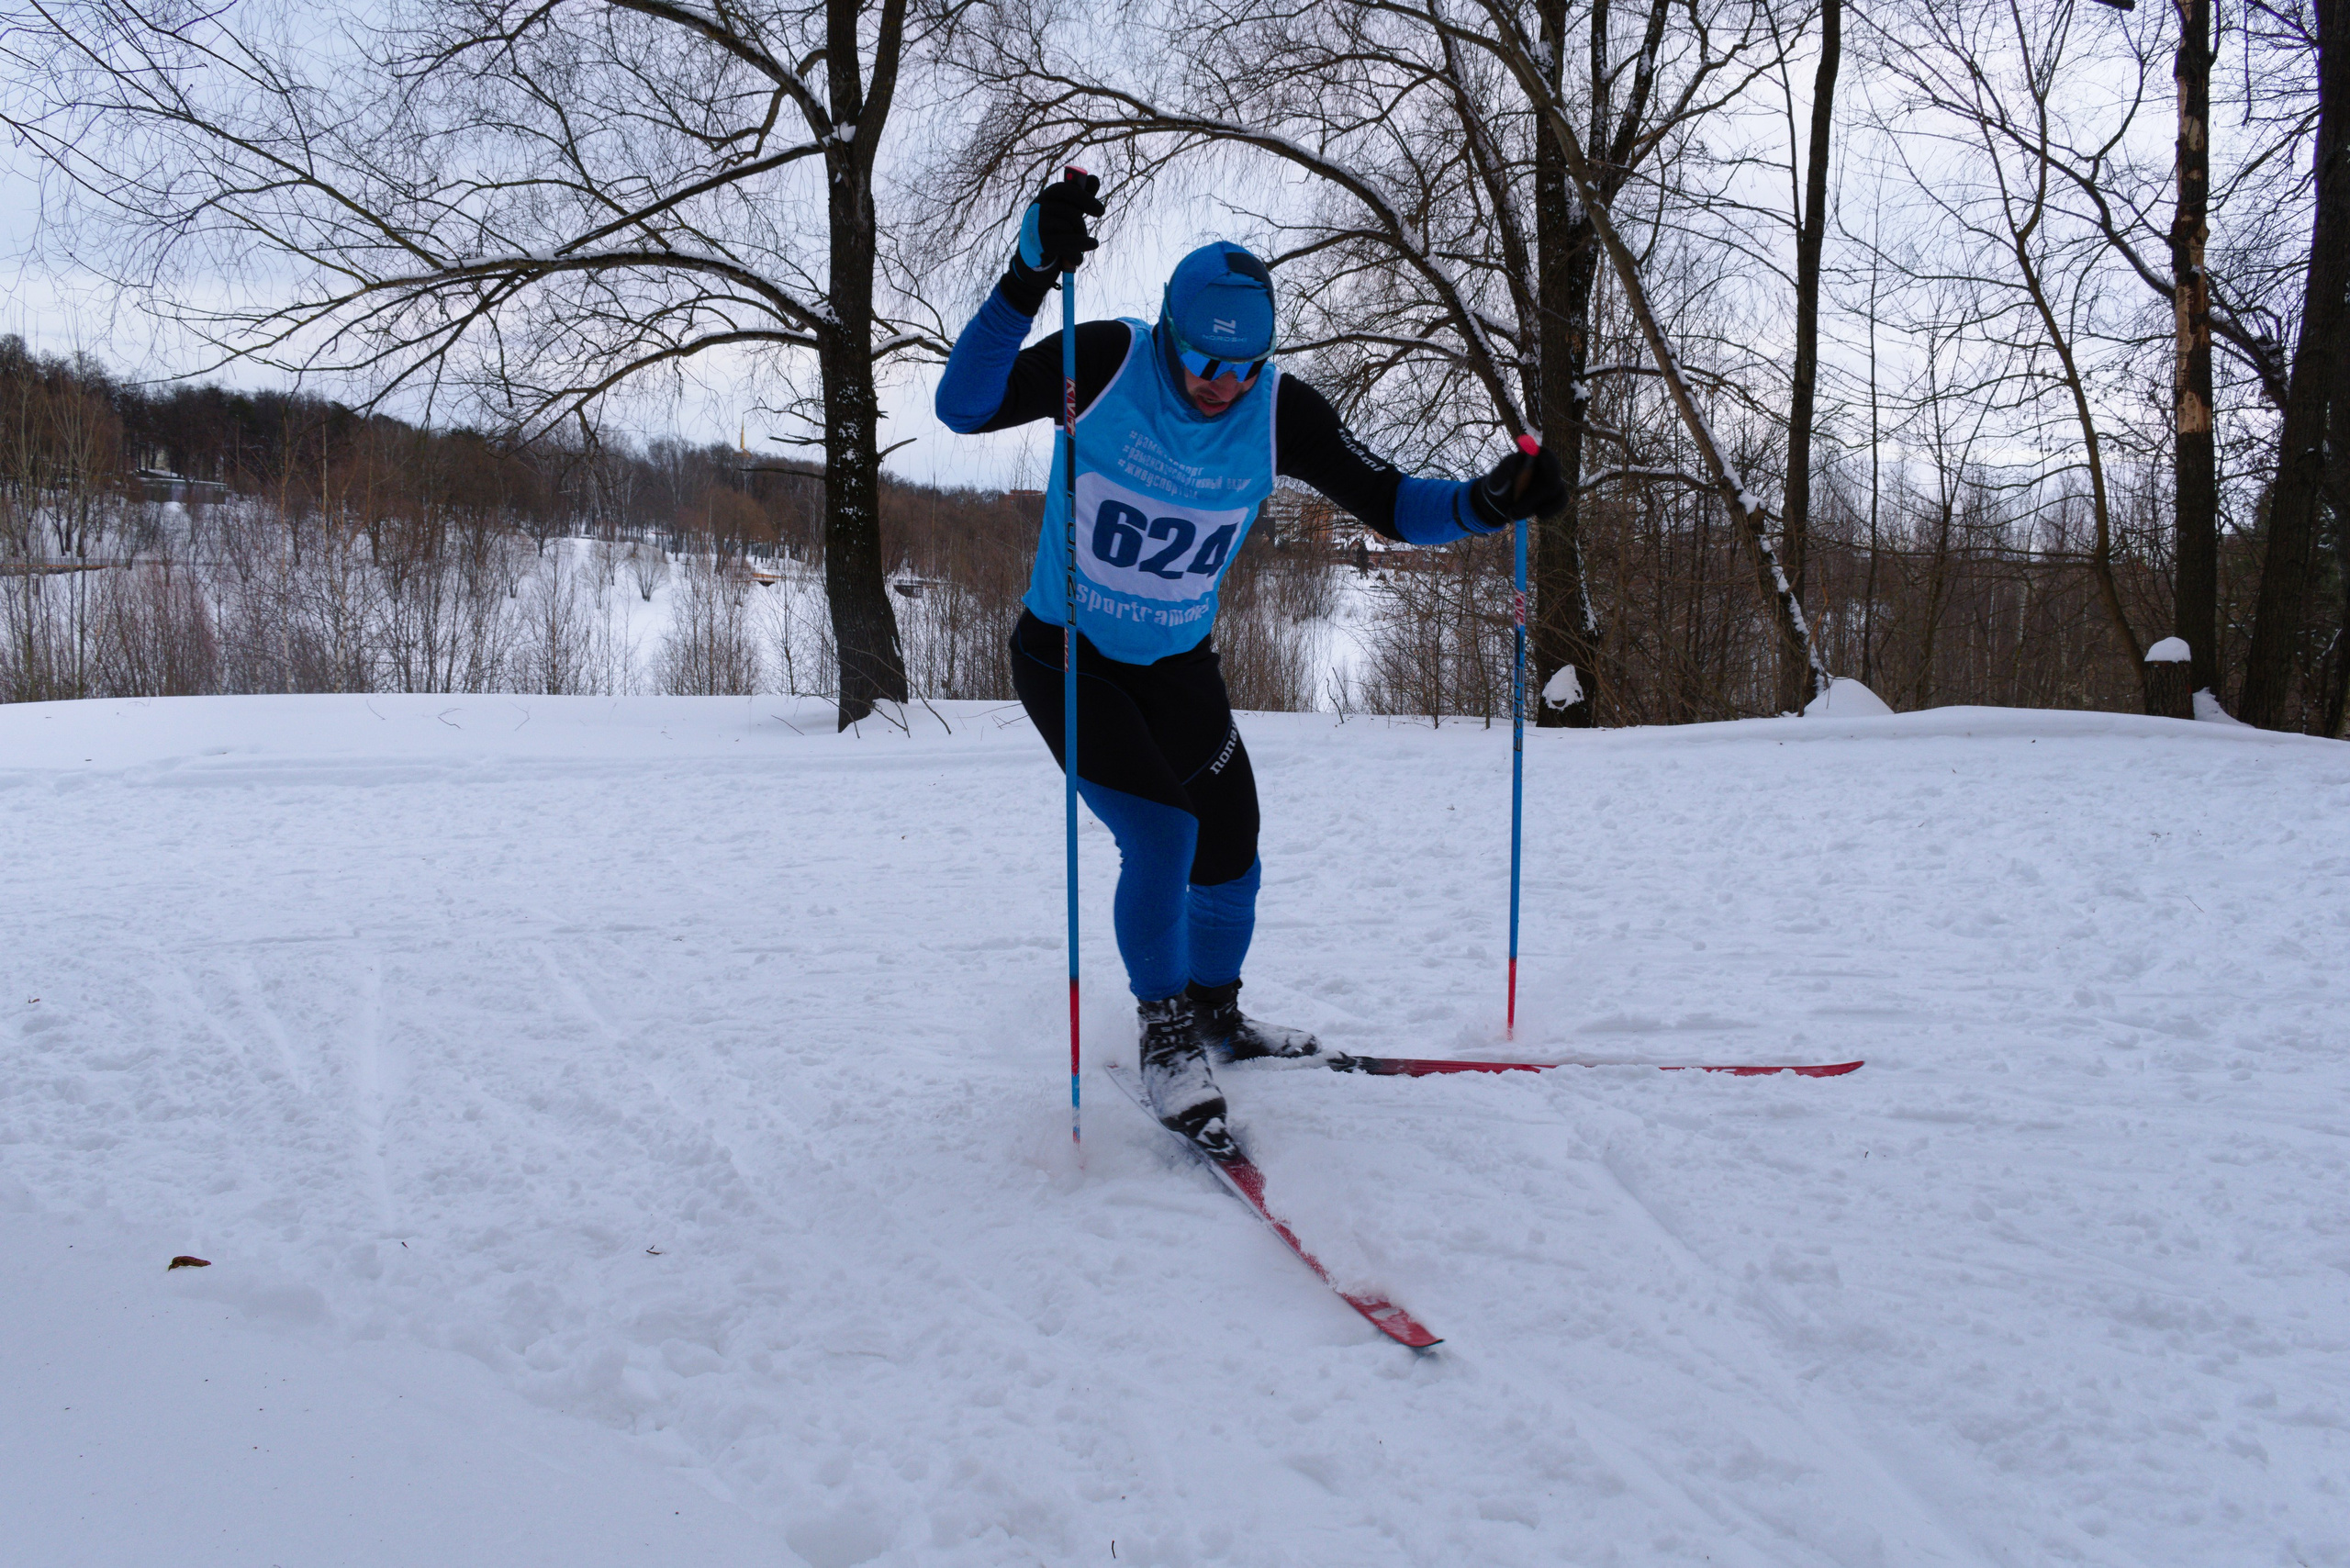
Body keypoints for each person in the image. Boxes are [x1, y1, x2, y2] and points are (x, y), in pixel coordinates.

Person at [935, 173, 1564, 1156]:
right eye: (1203, 360)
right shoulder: (1106, 362)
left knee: (1231, 845)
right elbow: (962, 408)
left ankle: (1215, 1014)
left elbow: (1391, 503)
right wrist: (1025, 278)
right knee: (1163, 835)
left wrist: (1487, 501)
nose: (1222, 382)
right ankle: (1165, 1034)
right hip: (1067, 657)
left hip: (1177, 661)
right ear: (1168, 333)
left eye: (1244, 364)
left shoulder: (1277, 411)